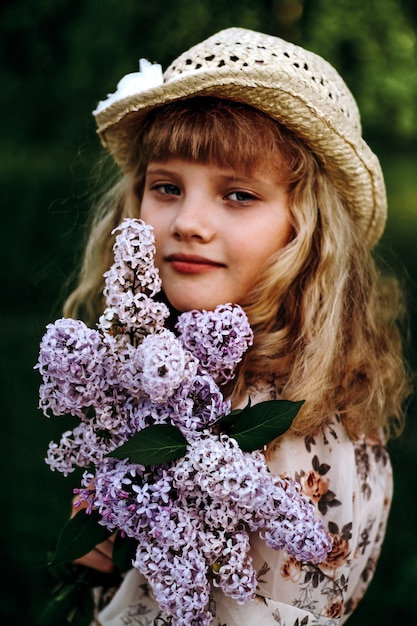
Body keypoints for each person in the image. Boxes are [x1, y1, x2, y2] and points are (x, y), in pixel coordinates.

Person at [64, 27, 411, 625]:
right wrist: (109, 534)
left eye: (239, 195)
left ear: (308, 229)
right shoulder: (188, 376)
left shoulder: (284, 440)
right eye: (166, 187)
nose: (189, 223)